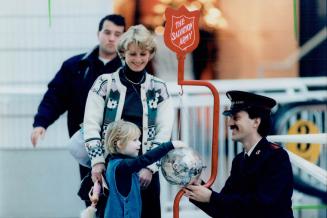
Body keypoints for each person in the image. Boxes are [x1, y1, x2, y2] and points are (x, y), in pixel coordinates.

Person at [83, 24, 174, 218]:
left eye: (143, 53)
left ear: (150, 54)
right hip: (111, 169)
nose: (138, 59)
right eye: (132, 54)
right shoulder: (104, 83)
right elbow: (91, 125)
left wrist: (149, 168)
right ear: (123, 53)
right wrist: (97, 161)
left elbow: (164, 130)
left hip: (146, 173)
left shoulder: (159, 88)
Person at [30, 14, 125, 180]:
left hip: (122, 148)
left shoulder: (128, 70)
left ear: (123, 38)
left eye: (117, 34)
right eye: (107, 32)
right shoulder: (76, 67)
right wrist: (41, 123)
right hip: (86, 146)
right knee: (92, 196)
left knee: (119, 197)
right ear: (98, 33)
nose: (111, 38)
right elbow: (55, 96)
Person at [183, 90, 294, 218]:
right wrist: (195, 186)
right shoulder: (240, 160)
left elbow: (262, 206)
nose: (229, 123)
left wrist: (211, 197)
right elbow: (224, 210)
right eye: (230, 118)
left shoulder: (276, 158)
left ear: (256, 122)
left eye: (236, 117)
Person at [102, 120, 185, 218]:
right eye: (134, 140)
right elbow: (144, 159)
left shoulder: (113, 164)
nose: (140, 143)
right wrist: (169, 145)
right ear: (120, 144)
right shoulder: (123, 166)